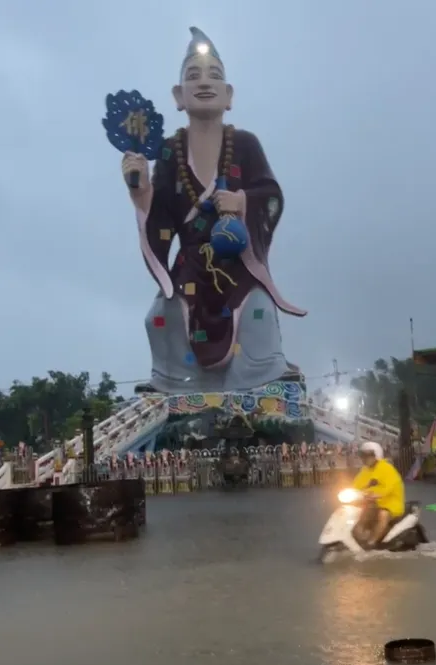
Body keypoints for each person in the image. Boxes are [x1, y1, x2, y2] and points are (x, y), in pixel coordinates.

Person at [121, 26, 306, 395]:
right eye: (193, 76)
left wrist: (242, 202)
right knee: (160, 316)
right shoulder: (170, 150)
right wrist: (141, 191)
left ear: (228, 94)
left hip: (236, 263)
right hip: (190, 265)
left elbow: (271, 195)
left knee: (257, 310)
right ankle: (173, 382)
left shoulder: (245, 144)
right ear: (179, 95)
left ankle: (262, 376)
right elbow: (162, 215)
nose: (204, 82)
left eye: (214, 76)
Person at [352, 441, 405, 547]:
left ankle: (371, 543)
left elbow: (390, 486)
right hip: (371, 503)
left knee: (383, 515)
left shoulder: (386, 468)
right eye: (363, 455)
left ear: (376, 455)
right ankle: (359, 537)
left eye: (368, 455)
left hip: (389, 503)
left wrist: (377, 494)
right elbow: (356, 485)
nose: (365, 458)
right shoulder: (365, 470)